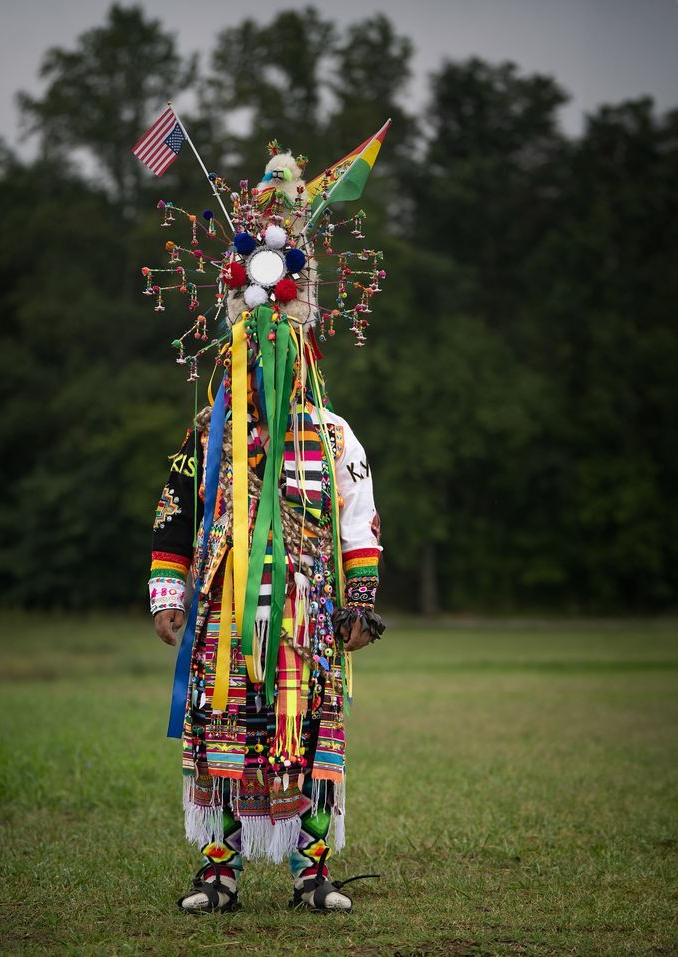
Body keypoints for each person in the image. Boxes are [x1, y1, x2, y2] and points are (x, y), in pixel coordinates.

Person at [148, 146, 385, 913]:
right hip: (224, 612)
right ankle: (219, 869)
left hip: (307, 619)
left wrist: (360, 603)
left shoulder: (334, 431)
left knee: (310, 739)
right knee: (224, 736)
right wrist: (167, 594)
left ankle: (310, 872)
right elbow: (176, 509)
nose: (272, 344)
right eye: (260, 335)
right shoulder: (209, 430)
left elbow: (358, 520)